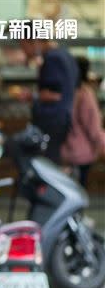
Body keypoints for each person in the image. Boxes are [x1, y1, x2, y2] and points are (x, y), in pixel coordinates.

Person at [20, 38, 79, 164]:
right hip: (62, 120)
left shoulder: (52, 58)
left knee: (46, 165)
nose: (24, 50)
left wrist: (32, 96)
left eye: (23, 45)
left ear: (34, 41)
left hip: (51, 122)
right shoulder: (66, 55)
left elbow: (55, 94)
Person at [61, 56, 105, 188]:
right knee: (78, 193)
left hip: (64, 151)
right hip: (81, 153)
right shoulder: (85, 94)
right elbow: (93, 127)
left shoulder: (65, 91)